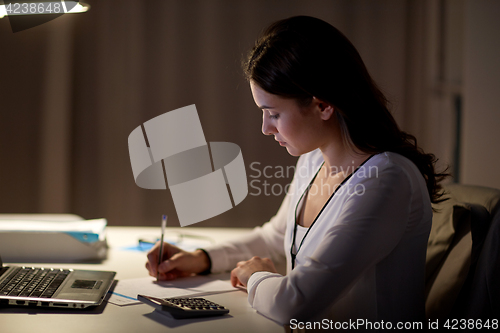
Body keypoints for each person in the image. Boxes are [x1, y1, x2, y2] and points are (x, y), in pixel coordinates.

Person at [145, 15, 448, 325]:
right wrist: (202, 258)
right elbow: (276, 239)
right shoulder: (315, 160)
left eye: (273, 114)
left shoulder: (387, 180)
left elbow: (295, 302)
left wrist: (256, 277)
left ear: (322, 106)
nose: (265, 128)